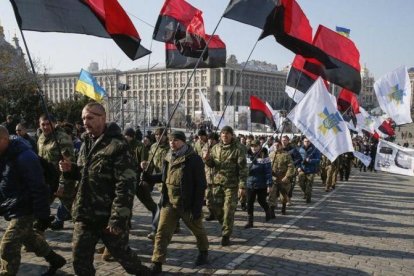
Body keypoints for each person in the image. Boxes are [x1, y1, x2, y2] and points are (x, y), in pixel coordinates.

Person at [58, 102, 149, 275]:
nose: (85, 121)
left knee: (125, 259)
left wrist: (118, 219)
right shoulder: (86, 142)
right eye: (83, 118)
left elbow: (126, 185)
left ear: (103, 118)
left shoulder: (118, 146)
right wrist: (71, 171)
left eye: (90, 117)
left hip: (107, 216)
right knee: (79, 260)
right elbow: (84, 172)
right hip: (85, 214)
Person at [0, 126, 66, 275]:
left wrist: (43, 215)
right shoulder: (4, 154)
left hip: (26, 207)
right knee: (29, 238)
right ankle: (55, 259)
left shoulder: (25, 157)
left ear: (4, 140)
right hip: (14, 204)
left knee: (8, 245)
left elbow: (39, 187)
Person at [143, 130, 209, 274]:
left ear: (183, 142)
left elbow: (201, 185)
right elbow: (164, 176)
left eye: (176, 140)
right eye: (171, 140)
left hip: (187, 204)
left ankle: (203, 252)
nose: (172, 143)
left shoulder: (194, 159)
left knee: (198, 231)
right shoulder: (168, 156)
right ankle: (157, 262)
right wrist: (149, 177)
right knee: (162, 233)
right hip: (169, 203)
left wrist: (197, 208)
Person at [203, 126, 248, 246]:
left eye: (227, 134)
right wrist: (207, 159)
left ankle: (226, 235)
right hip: (217, 183)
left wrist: (242, 186)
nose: (225, 136)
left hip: (231, 185)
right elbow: (212, 164)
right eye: (223, 134)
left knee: (228, 210)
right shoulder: (215, 148)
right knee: (216, 208)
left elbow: (243, 169)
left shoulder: (238, 149)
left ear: (232, 135)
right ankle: (226, 224)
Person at [37, 114, 76, 231]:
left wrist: (62, 183)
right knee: (39, 208)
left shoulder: (62, 138)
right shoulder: (41, 138)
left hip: (62, 181)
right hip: (48, 181)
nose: (45, 127)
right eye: (43, 124)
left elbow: (68, 163)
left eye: (48, 124)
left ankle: (98, 233)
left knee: (76, 211)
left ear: (54, 124)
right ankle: (35, 237)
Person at [244, 140, 272, 228]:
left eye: (256, 146)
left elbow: (268, 172)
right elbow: (242, 168)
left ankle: (268, 211)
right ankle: (250, 222)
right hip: (250, 183)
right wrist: (246, 170)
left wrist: (269, 185)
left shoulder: (265, 158)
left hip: (261, 184)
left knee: (261, 200)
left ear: (259, 147)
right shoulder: (247, 156)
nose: (254, 148)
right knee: (249, 202)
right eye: (252, 146)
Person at [268, 140, 295, 216]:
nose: (276, 147)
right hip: (273, 179)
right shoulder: (270, 155)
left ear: (281, 146)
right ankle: (272, 212)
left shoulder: (286, 155)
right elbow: (267, 166)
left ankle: (283, 208)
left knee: (283, 197)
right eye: (274, 145)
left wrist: (287, 176)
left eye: (278, 145)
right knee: (272, 195)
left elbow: (291, 167)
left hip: (283, 179)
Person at [297, 137, 321, 203]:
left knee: (309, 185)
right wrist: (298, 167)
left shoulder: (315, 149)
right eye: (305, 141)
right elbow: (297, 159)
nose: (306, 142)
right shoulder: (300, 149)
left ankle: (308, 198)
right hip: (302, 169)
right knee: (300, 182)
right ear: (303, 142)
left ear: (310, 142)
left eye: (308, 141)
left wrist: (310, 160)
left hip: (311, 170)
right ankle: (306, 193)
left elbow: (318, 159)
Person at [203, 132, 219, 221]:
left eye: (212, 140)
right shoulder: (205, 148)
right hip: (208, 176)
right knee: (208, 198)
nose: (210, 141)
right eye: (209, 140)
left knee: (217, 198)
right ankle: (212, 213)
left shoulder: (220, 148)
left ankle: (219, 213)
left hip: (218, 177)